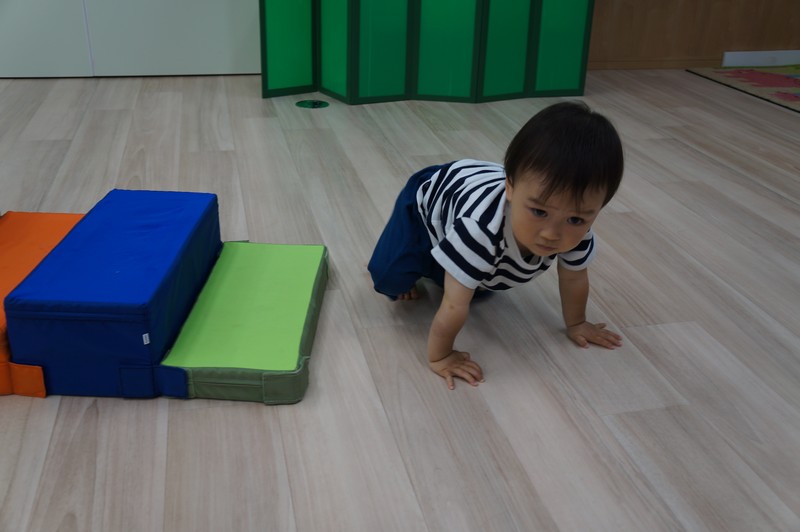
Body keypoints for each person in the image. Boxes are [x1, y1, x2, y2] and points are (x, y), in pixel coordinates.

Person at [368, 101, 625, 389]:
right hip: (430, 199)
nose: (552, 234)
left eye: (576, 219)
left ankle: (448, 262)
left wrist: (577, 323)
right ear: (510, 187)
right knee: (391, 278)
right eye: (539, 212)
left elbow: (574, 278)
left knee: (478, 287)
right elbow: (453, 305)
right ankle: (428, 263)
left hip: (471, 207)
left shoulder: (578, 232)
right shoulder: (480, 230)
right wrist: (441, 356)